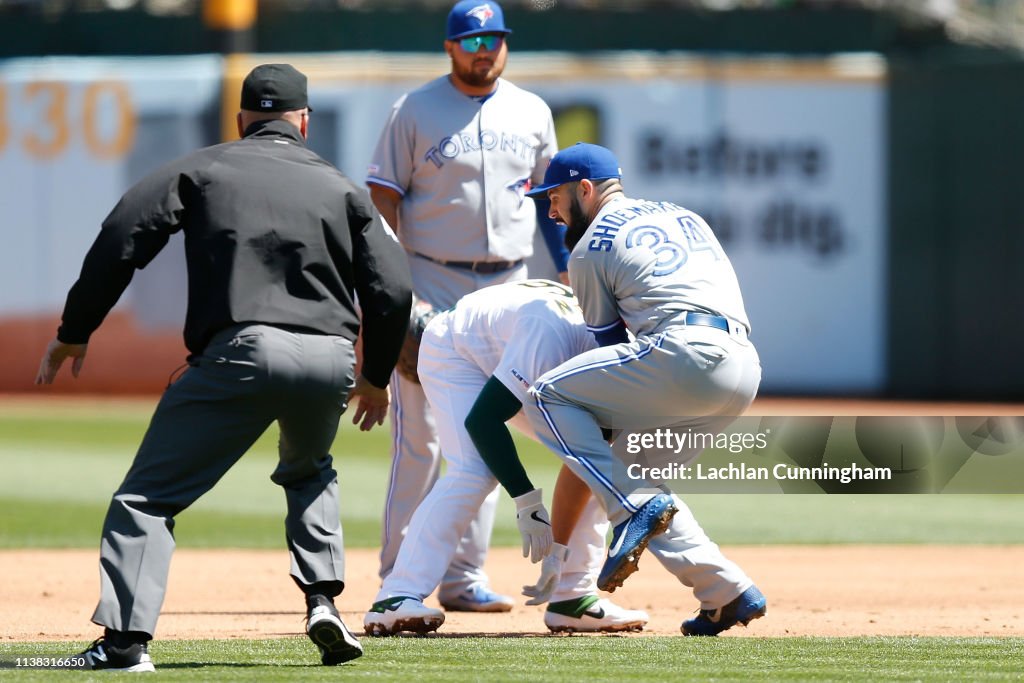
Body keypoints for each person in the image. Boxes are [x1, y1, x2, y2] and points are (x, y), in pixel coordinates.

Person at [35, 63, 413, 670]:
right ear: (304, 121)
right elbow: (393, 288)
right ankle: (322, 601)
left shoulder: (203, 167)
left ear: (242, 119)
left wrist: (75, 331)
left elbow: (122, 233)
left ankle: (124, 644)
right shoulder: (342, 188)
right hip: (331, 358)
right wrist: (376, 373)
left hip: (243, 350)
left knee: (147, 500)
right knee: (310, 470)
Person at [480, 142, 767, 637]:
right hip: (743, 367)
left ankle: (629, 509)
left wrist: (594, 450)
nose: (550, 209)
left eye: (555, 197)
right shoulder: (685, 215)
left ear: (585, 190)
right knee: (635, 476)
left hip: (682, 355)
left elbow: (607, 346)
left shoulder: (589, 247)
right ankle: (725, 592)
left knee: (548, 395)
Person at [365, 0, 567, 613]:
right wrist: (399, 288)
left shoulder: (531, 110)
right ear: (451, 46)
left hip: (508, 285)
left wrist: (567, 271)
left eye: (494, 39)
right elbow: (381, 198)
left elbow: (550, 203)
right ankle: (400, 574)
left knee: (487, 428)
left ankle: (463, 576)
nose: (485, 50)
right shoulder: (415, 109)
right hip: (433, 280)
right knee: (422, 437)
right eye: (473, 40)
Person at [362, 280, 648, 635]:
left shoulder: (623, 354)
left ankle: (573, 597)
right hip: (455, 350)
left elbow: (586, 460)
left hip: (512, 349)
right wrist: (527, 501)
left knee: (596, 462)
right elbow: (483, 420)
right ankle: (395, 595)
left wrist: (557, 553)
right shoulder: (552, 335)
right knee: (474, 470)